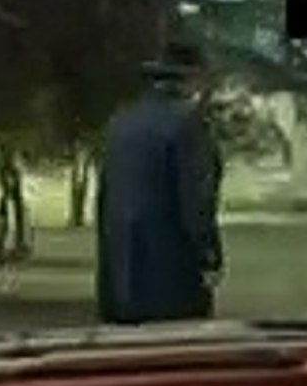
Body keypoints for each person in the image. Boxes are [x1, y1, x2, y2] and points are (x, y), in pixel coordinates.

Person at [94, 42, 224, 325]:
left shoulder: (120, 122)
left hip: (120, 271)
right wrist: (209, 257)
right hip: (171, 270)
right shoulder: (187, 124)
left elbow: (105, 197)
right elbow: (196, 201)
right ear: (192, 79)